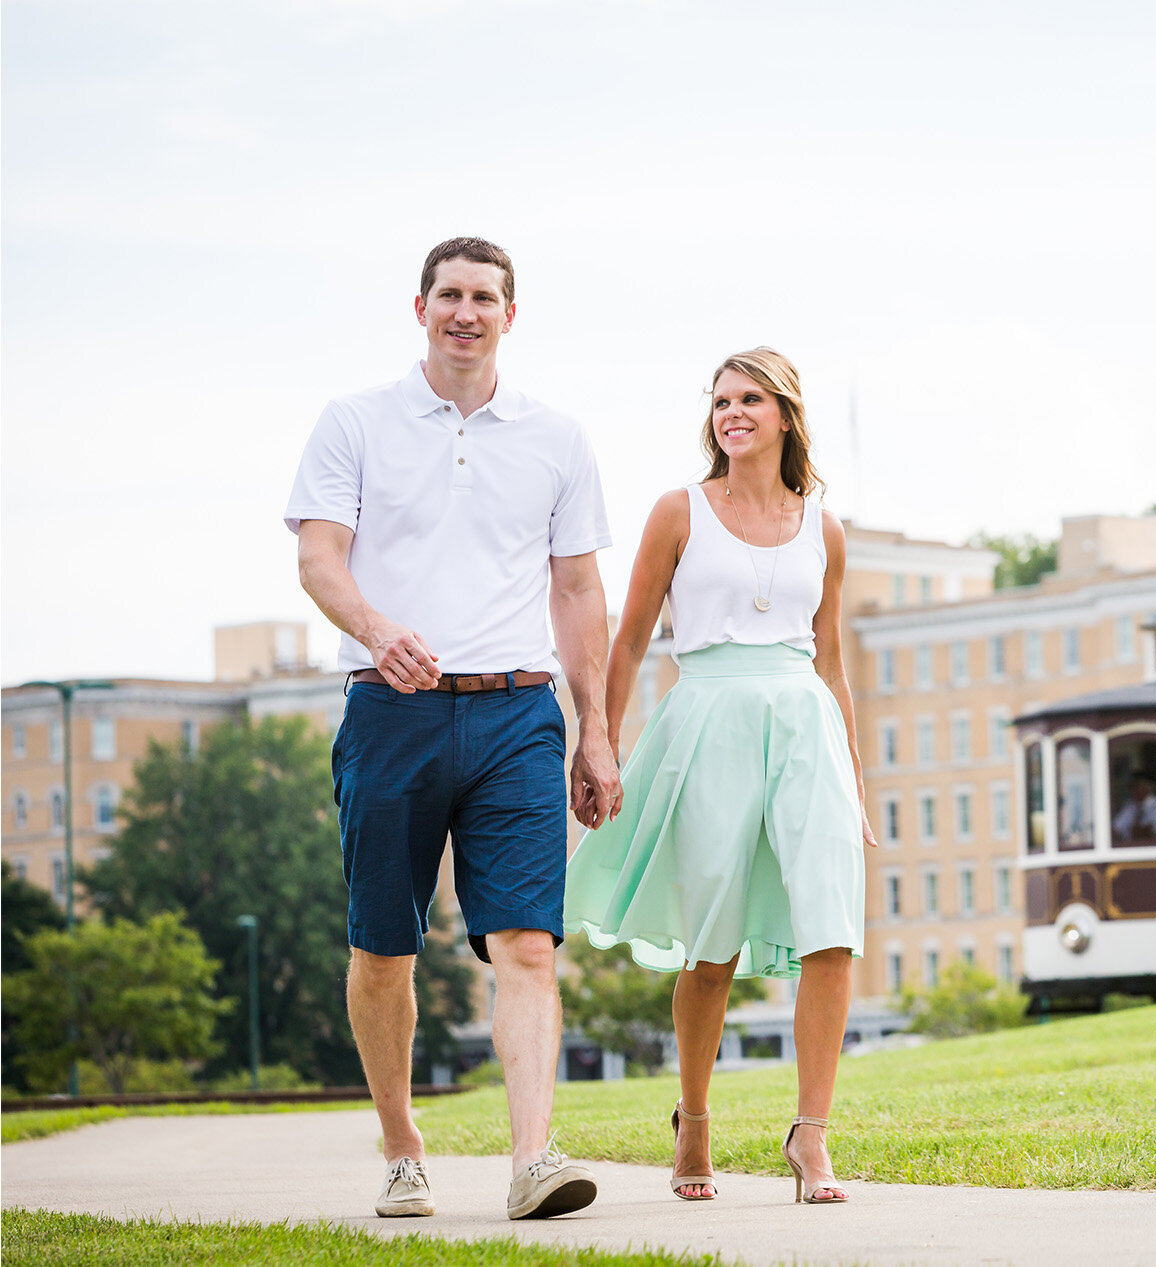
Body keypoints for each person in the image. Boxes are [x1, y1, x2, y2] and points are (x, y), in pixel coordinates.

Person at [286, 237, 617, 1221]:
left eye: (484, 297)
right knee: (384, 946)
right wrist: (377, 630)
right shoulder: (355, 423)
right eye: (450, 295)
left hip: (519, 711)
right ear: (420, 307)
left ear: (510, 315)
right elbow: (317, 558)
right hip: (390, 712)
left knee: (527, 943)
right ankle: (400, 1147)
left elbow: (578, 589)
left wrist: (594, 730)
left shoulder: (556, 438)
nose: (465, 311)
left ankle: (532, 1159)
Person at [565, 347, 872, 1205]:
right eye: (721, 399)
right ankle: (693, 1117)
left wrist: (856, 781)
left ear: (785, 414)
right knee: (713, 946)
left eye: (750, 398)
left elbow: (834, 663)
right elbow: (627, 642)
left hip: (805, 725)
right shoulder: (679, 512)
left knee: (831, 927)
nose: (731, 412)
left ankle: (811, 1135)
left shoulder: (825, 525)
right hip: (707, 722)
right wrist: (601, 746)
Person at [1113, 773, 1156, 843]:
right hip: (1129, 849)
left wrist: (1141, 833)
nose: (1133, 790)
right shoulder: (1130, 806)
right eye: (1131, 786)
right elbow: (1115, 829)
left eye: (1137, 786)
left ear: (1149, 787)